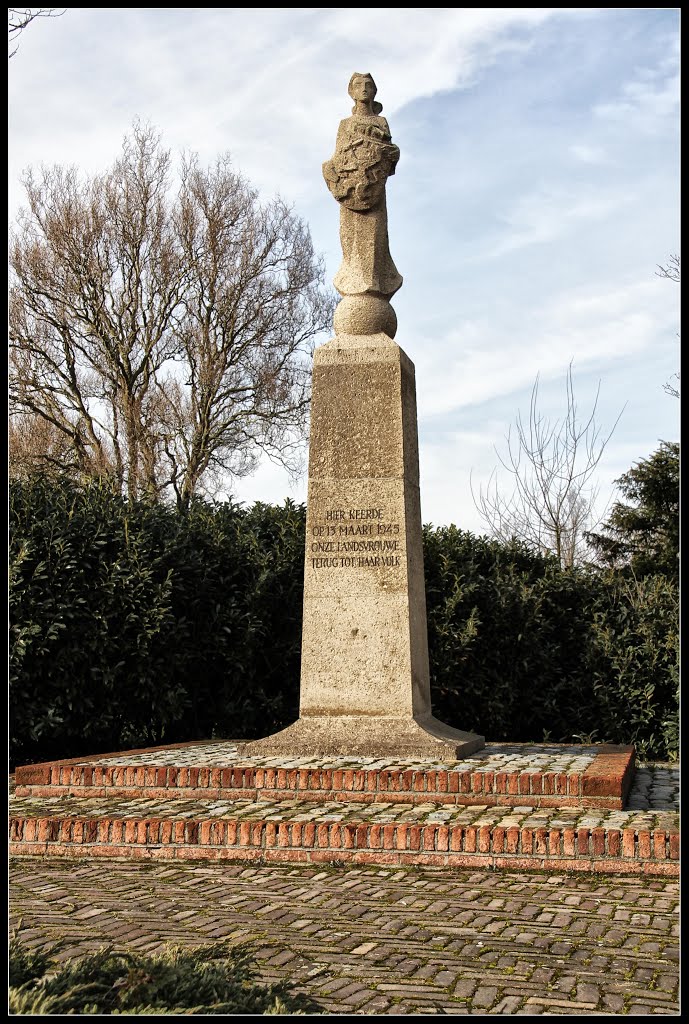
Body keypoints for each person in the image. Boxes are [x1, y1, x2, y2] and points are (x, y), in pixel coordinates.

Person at [323, 73, 403, 300]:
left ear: (374, 90)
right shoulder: (345, 125)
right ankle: (352, 279)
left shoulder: (381, 122)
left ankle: (377, 281)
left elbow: (387, 161)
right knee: (352, 240)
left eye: (369, 85)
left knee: (376, 239)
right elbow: (339, 159)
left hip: (373, 192)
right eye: (359, 85)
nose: (364, 89)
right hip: (350, 195)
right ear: (351, 91)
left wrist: (394, 154)